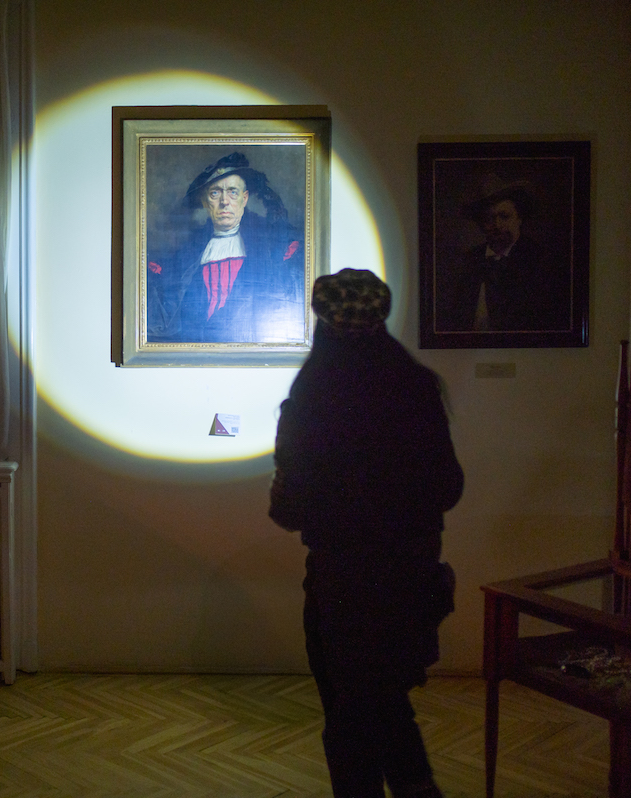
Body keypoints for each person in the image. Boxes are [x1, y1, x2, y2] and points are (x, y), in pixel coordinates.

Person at [269, 269, 464, 798]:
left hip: (342, 581)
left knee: (349, 715)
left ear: (323, 325)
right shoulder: (418, 388)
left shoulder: (311, 400)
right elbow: (448, 488)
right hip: (410, 576)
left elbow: (288, 510)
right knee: (386, 701)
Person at [146, 151, 305, 343]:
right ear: (205, 201)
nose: (224, 202)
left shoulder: (272, 247)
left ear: (244, 199)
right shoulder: (187, 253)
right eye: (215, 193)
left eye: (232, 192)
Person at [435, 174, 569, 332]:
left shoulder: (541, 260)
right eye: (489, 219)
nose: (497, 225)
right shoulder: (469, 261)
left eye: (504, 216)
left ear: (519, 218)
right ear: (481, 224)